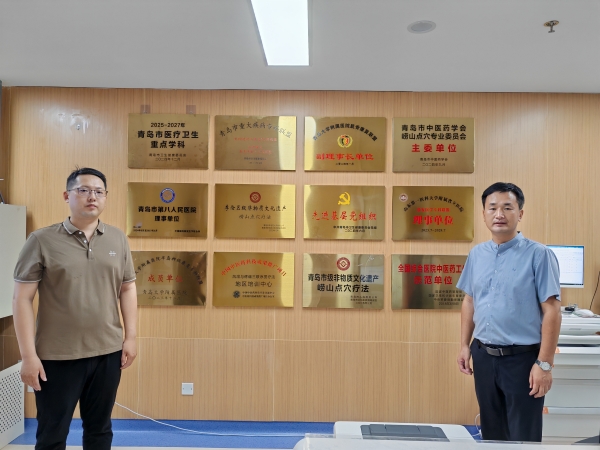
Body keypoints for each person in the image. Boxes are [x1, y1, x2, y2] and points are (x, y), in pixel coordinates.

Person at [12, 167, 137, 450]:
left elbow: (127, 288)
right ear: (67, 196)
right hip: (57, 356)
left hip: (107, 353)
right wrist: (28, 356)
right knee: (52, 434)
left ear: (105, 197)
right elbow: (21, 299)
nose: (92, 196)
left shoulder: (117, 238)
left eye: (99, 191)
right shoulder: (41, 240)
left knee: (100, 431)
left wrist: (130, 337)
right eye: (83, 190)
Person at [456, 182, 561, 442]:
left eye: (507, 207)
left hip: (522, 360)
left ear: (520, 213)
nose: (499, 214)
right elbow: (469, 301)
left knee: (523, 436)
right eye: (492, 208)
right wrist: (464, 345)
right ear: (483, 214)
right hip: (483, 357)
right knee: (492, 433)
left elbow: (552, 311)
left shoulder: (539, 255)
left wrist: (544, 364)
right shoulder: (477, 254)